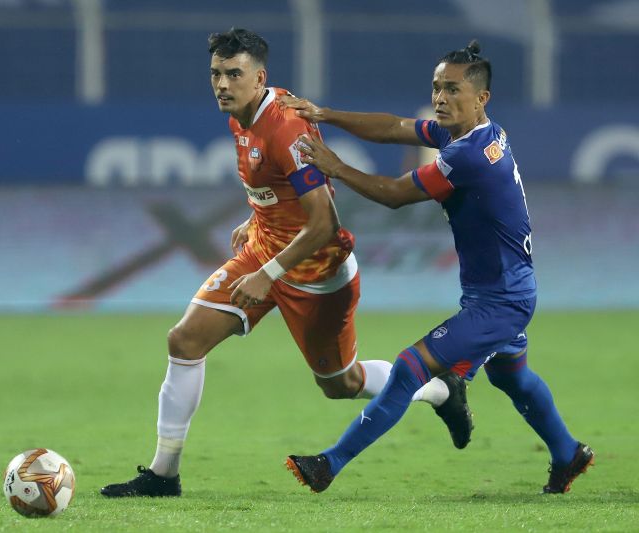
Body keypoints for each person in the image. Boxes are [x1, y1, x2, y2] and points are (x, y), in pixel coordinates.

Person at [100, 28, 470, 499]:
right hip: (264, 251)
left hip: (317, 273)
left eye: (234, 74)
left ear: (260, 78)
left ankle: (440, 391)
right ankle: (163, 475)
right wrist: (254, 218)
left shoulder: (286, 127)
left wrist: (266, 273)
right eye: (216, 74)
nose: (222, 84)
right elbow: (280, 189)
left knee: (342, 384)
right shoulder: (241, 113)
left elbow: (324, 223)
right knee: (185, 340)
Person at [282, 40, 594, 495]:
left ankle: (329, 463)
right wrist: (324, 115)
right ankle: (568, 454)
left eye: (452, 90)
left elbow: (392, 195)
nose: (441, 98)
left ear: (481, 98)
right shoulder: (474, 133)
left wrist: (336, 166)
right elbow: (392, 127)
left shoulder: (467, 156)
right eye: (436, 88)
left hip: (502, 300)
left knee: (411, 366)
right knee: (511, 376)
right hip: (502, 289)